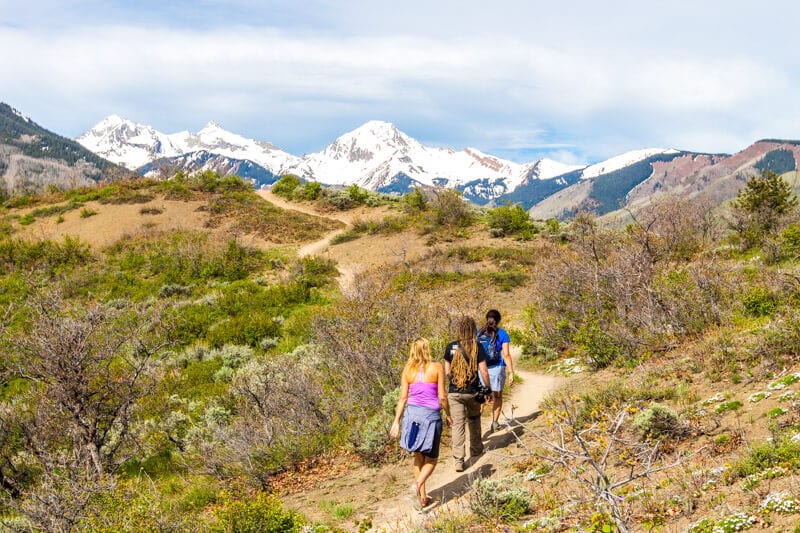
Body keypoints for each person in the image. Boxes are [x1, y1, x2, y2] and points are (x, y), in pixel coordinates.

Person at [390, 337, 451, 509]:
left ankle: (422, 498)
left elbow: (402, 398)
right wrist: (448, 414)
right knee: (432, 459)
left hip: (411, 417)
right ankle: (417, 487)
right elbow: (442, 397)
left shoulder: (408, 369)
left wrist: (396, 421)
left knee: (418, 457)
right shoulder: (436, 367)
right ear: (427, 349)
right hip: (430, 417)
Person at [443, 316, 491, 472]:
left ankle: (458, 460)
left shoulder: (450, 347)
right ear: (472, 330)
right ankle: (476, 449)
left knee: (458, 425)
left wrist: (457, 379)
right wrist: (488, 388)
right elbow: (483, 370)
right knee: (474, 419)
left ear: (459, 329)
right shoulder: (478, 347)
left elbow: (447, 372)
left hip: (455, 393)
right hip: (472, 391)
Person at [480, 309, 514, 433]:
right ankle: (494, 423)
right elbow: (506, 354)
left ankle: (476, 425)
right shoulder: (503, 334)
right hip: (497, 368)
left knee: (482, 397)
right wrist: (511, 372)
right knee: (497, 396)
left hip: (481, 369)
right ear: (498, 320)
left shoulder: (479, 333)